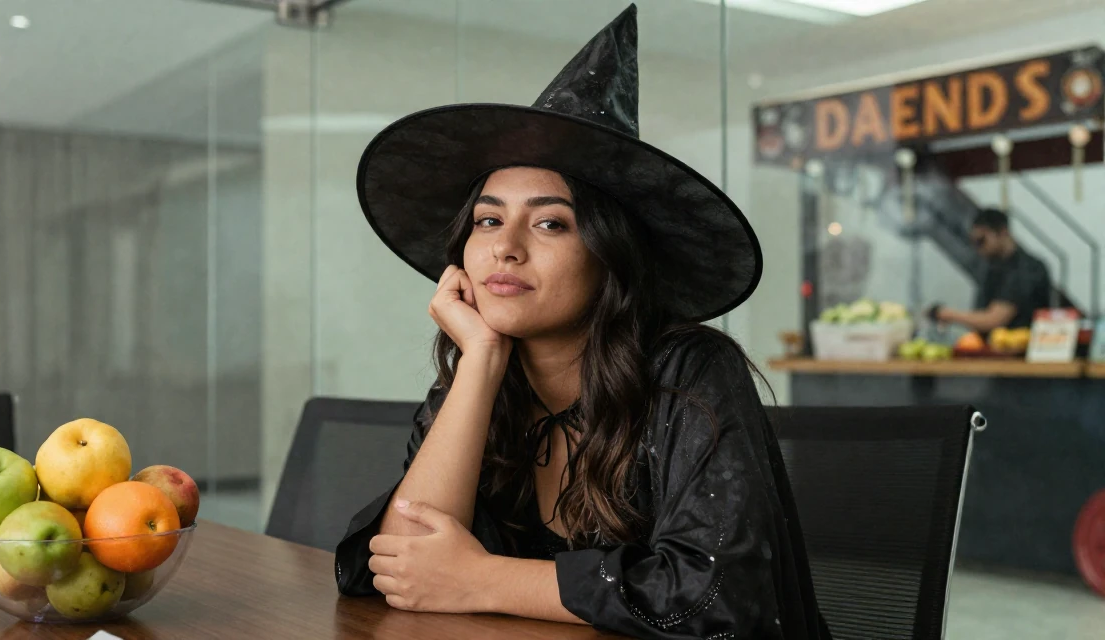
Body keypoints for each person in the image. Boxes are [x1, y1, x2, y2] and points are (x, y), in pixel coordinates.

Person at [333, 6, 830, 639]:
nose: (505, 247)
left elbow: (717, 596)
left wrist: (485, 579)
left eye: (549, 223)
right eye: (488, 220)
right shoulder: (482, 377)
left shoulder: (691, 369)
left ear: (609, 254)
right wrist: (482, 360)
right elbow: (403, 568)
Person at [928, 207, 1053, 332]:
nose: (978, 249)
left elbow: (994, 319)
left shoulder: (1028, 269)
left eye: (981, 240)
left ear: (1003, 232)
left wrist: (948, 314)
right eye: (974, 243)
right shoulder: (993, 267)